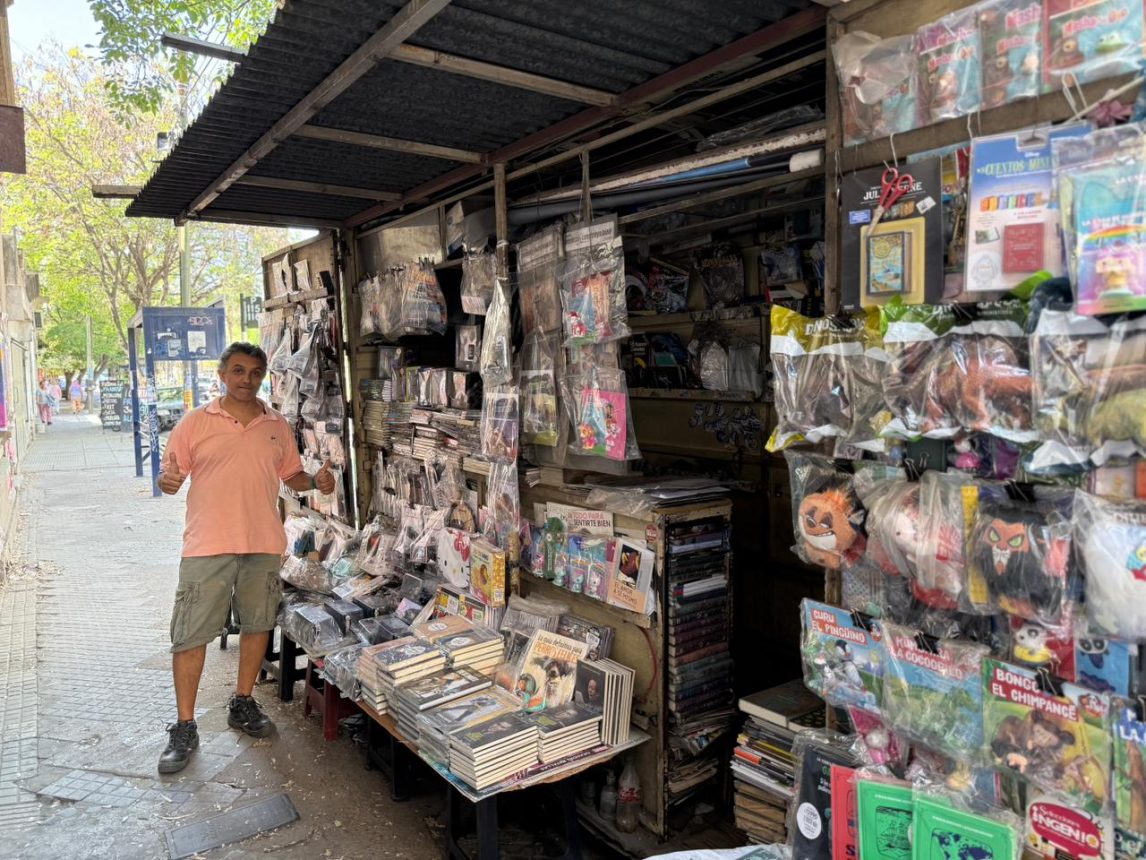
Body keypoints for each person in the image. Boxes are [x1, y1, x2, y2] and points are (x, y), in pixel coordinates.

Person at [156, 342, 335, 774]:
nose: (246, 379)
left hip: (262, 544)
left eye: (255, 372)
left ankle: (243, 701)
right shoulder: (195, 422)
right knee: (190, 635)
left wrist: (317, 481)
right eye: (237, 370)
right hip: (207, 545)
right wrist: (168, 481)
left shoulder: (276, 425)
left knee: (257, 625)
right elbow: (170, 478)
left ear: (262, 377)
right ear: (222, 374)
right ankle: (184, 726)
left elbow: (291, 475)